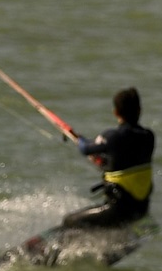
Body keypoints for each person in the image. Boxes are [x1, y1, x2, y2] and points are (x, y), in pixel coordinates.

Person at [61, 87, 155, 229]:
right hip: (141, 210)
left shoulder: (112, 137)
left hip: (117, 212)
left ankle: (71, 240)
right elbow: (127, 162)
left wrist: (78, 138)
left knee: (69, 221)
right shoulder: (149, 137)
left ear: (116, 112)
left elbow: (85, 148)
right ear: (139, 110)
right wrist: (102, 162)